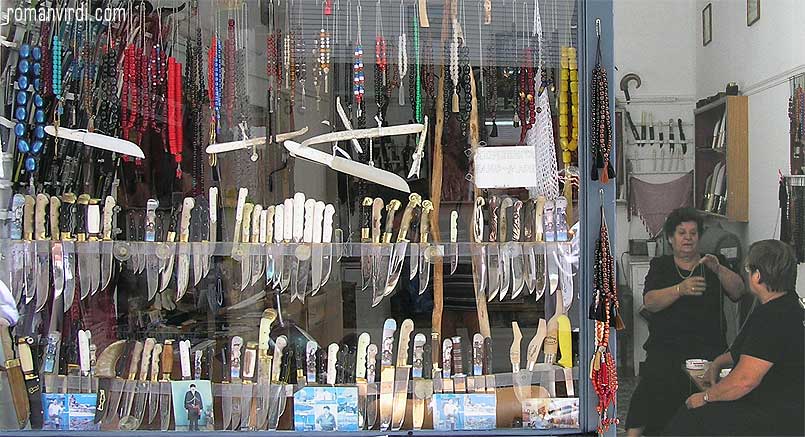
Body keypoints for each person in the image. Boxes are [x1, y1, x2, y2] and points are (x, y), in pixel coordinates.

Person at [663, 239, 804, 436]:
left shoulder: (774, 318)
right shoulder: (785, 303)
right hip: (780, 406)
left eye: (748, 268)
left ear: (758, 276)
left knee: (690, 418)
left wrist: (705, 397)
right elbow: (742, 349)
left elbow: (745, 381)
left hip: (776, 416)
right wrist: (716, 364)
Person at [626, 208, 745, 436]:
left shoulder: (713, 262)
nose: (688, 238)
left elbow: (738, 292)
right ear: (671, 238)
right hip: (667, 347)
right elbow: (650, 302)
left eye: (693, 233)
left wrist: (718, 269)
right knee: (653, 382)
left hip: (708, 347)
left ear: (699, 237)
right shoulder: (661, 266)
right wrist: (679, 290)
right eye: (682, 233)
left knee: (714, 388)